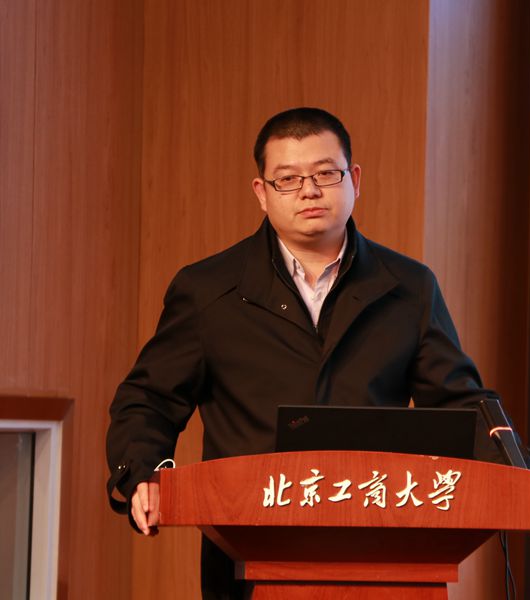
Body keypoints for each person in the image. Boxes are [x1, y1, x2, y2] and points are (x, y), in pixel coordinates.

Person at [106, 107, 505, 599]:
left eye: (325, 174)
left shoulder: (409, 287)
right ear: (262, 192)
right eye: (288, 179)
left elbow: (458, 404)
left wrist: (515, 471)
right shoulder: (208, 290)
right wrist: (143, 472)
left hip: (379, 546)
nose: (309, 191)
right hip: (247, 553)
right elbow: (147, 399)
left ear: (354, 179)